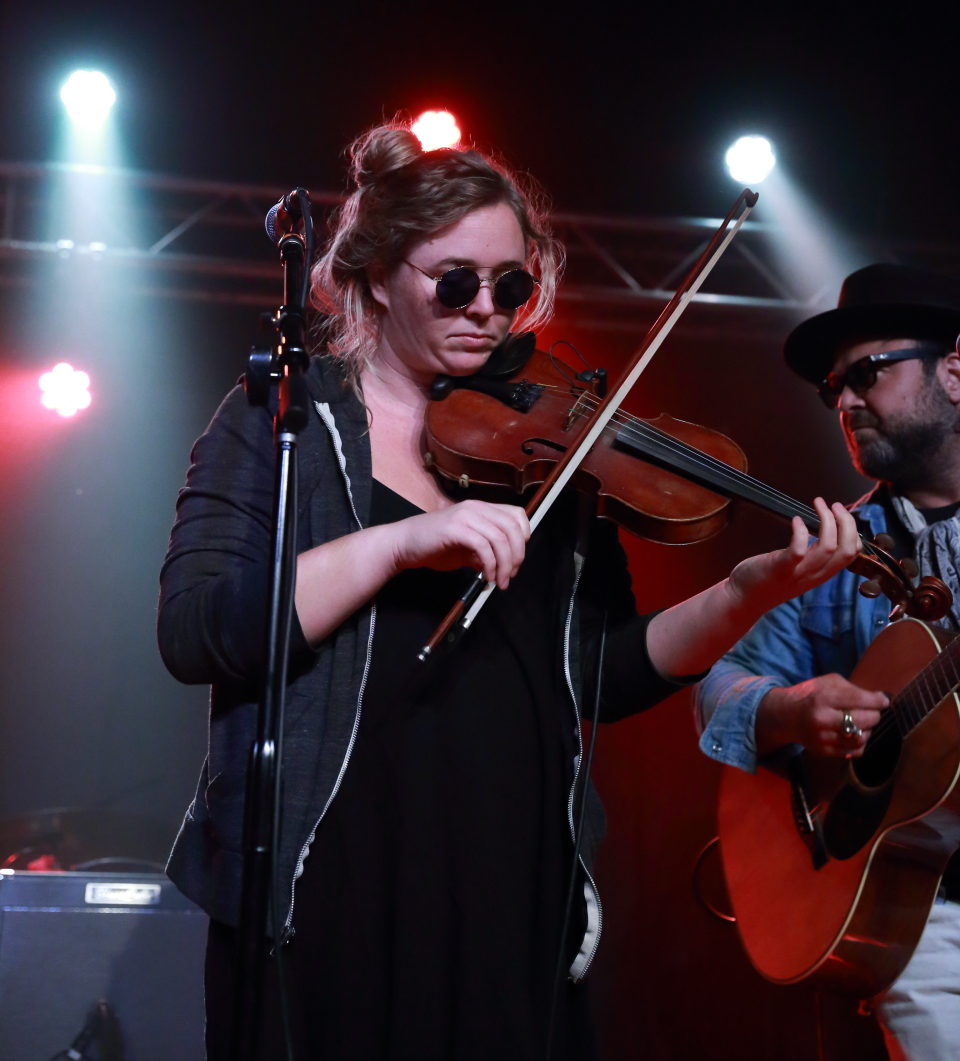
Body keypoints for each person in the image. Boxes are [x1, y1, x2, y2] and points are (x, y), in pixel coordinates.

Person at [159, 122, 861, 1061]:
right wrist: (401, 542)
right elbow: (200, 631)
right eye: (455, 283)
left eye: (512, 287)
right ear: (378, 274)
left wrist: (744, 594)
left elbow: (602, 669)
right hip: (330, 879)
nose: (488, 311)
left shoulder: (549, 452)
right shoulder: (285, 421)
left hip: (509, 879)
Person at [695, 262, 960, 1061]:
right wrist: (792, 707)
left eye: (868, 372)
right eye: (833, 389)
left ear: (955, 371)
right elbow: (716, 686)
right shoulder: (836, 549)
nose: (844, 402)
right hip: (923, 915)